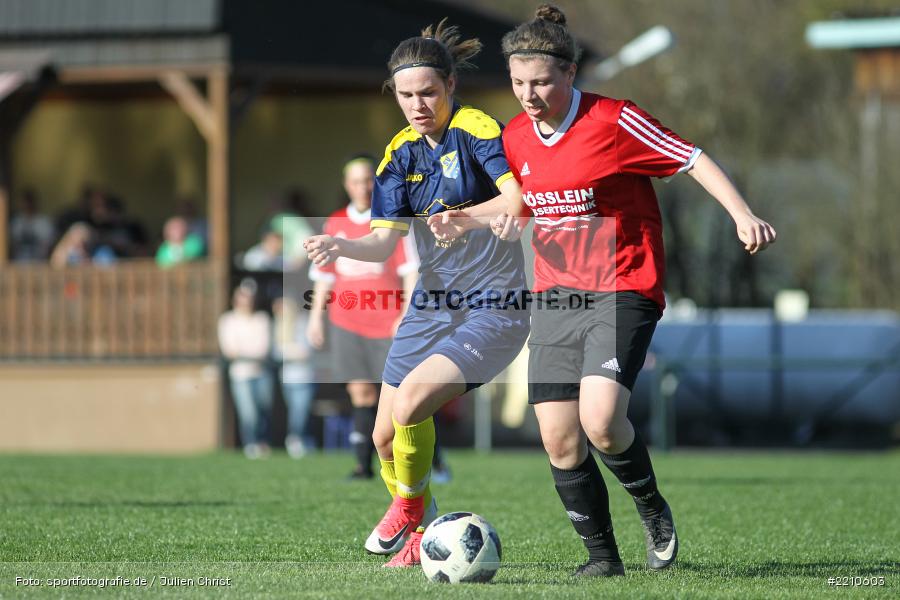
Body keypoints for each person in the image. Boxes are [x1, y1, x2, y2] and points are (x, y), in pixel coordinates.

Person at [493, 4, 776, 577]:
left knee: (600, 420)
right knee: (558, 437)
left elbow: (691, 157)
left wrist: (742, 214)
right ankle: (603, 561)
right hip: (555, 296)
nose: (529, 94)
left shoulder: (614, 120)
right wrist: (478, 222)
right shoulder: (516, 136)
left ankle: (651, 509)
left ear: (570, 74)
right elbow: (526, 202)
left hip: (622, 285)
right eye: (519, 82)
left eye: (542, 81)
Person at [304, 20, 529, 568]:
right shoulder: (399, 154)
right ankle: (420, 532)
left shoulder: (476, 128)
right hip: (431, 307)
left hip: (492, 305)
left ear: (450, 85)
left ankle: (408, 509)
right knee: (384, 438)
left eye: (428, 92)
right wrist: (341, 246)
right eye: (406, 95)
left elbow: (516, 200)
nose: (417, 104)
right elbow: (384, 245)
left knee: (408, 406)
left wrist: (469, 219)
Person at [307, 154, 419, 480]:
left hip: (386, 323)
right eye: (356, 181)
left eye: (369, 179)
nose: (363, 187)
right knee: (361, 393)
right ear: (347, 185)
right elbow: (324, 275)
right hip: (346, 322)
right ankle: (362, 465)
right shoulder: (335, 222)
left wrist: (405, 313)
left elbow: (410, 270)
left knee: (399, 397)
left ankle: (428, 462)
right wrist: (316, 318)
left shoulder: (391, 220)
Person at [217, 282, 274, 459]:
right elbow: (230, 350)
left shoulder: (262, 319)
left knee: (264, 408)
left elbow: (263, 348)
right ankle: (251, 443)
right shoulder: (228, 320)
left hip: (262, 372)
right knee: (248, 412)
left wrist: (245, 353)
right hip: (240, 374)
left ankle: (263, 443)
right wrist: (250, 353)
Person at [272, 296, 316, 458]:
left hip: (305, 376)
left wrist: (289, 351)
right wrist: (293, 352)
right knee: (295, 411)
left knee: (301, 411)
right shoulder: (280, 327)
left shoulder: (303, 323)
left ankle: (296, 439)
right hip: (287, 377)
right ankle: (297, 439)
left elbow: (307, 350)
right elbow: (276, 352)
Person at [10, 190, 55, 262]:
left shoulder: (44, 222)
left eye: (29, 202)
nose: (27, 205)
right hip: (18, 264)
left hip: (40, 264)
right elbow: (13, 245)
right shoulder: (17, 222)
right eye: (24, 202)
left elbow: (48, 247)